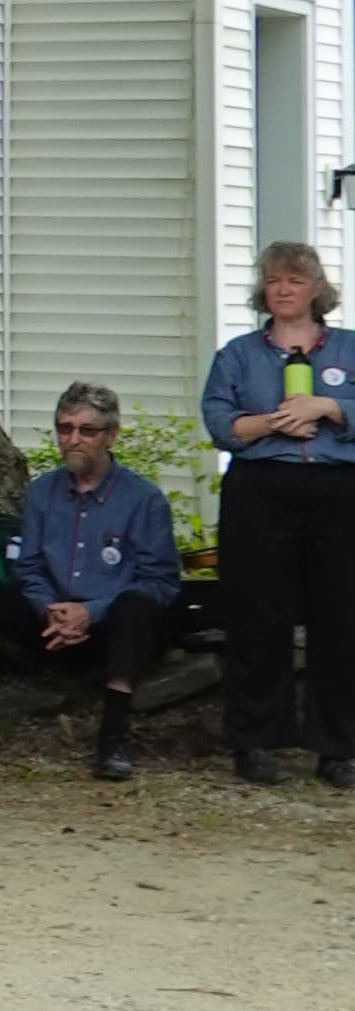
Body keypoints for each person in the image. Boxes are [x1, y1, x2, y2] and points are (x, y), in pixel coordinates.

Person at [0, 381, 183, 780]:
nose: (72, 440)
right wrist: (50, 610)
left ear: (110, 436)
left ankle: (113, 736)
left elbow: (161, 580)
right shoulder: (44, 492)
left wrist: (90, 613)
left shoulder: (143, 499)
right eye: (65, 428)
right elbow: (30, 566)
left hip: (111, 625)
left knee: (137, 605)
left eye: (86, 431)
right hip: (52, 622)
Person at [201, 241, 355, 786]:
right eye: (273, 281)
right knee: (258, 618)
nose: (283, 290)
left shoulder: (349, 349)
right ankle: (255, 741)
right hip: (262, 489)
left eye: (294, 280)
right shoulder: (239, 354)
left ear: (317, 288)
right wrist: (274, 421)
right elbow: (221, 424)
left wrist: (328, 407)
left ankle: (338, 747)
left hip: (340, 491)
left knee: (341, 618)